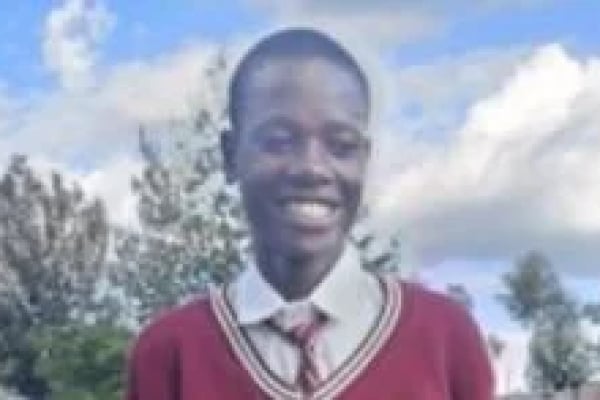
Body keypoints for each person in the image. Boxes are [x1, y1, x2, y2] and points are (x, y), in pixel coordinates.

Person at [126, 28, 494, 400]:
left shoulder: (446, 337)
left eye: (341, 145)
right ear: (230, 155)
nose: (311, 168)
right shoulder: (169, 352)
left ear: (364, 160)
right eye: (278, 142)